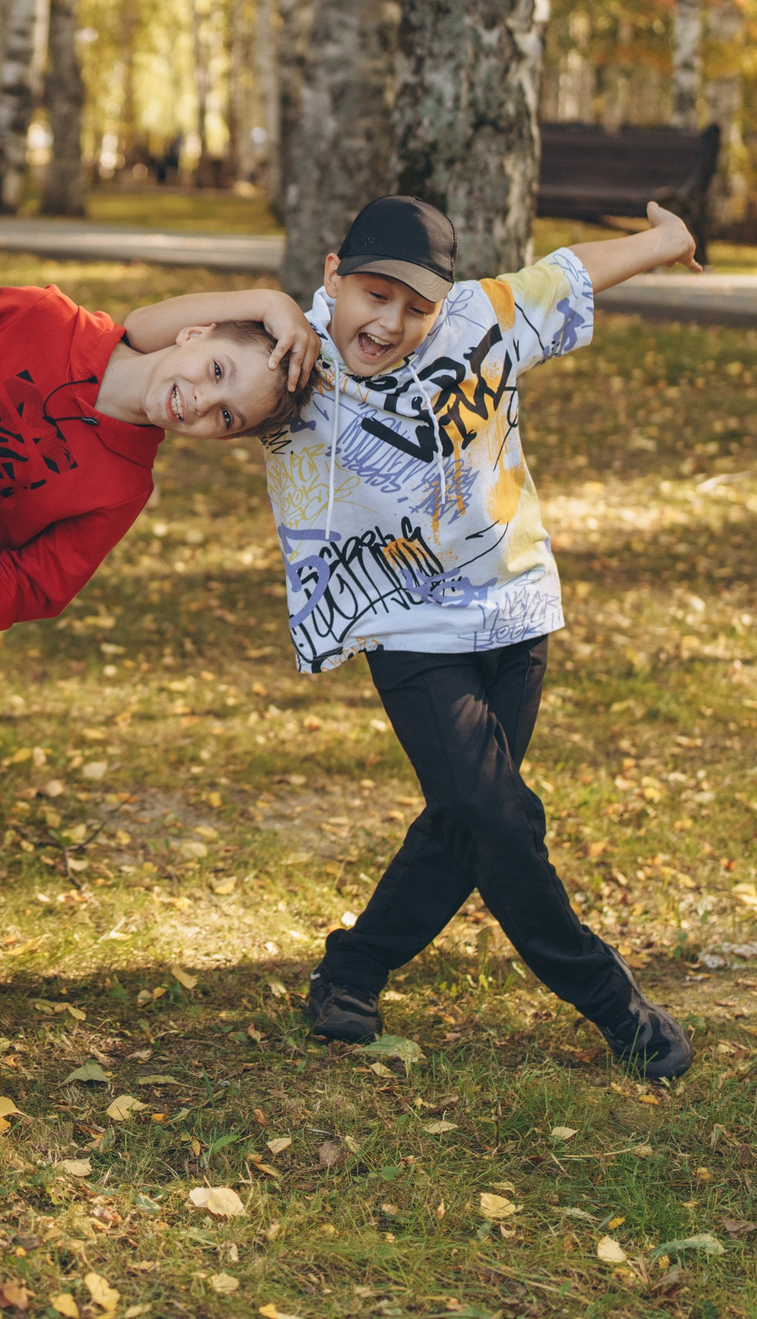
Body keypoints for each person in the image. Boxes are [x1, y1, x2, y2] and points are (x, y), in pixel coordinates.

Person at [271, 195, 704, 1080]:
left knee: (465, 817)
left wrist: (666, 241)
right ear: (331, 276)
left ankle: (350, 971)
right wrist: (274, 312)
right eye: (372, 293)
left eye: (414, 305)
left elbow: (575, 271)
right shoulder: (292, 355)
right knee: (499, 816)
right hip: (402, 621)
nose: (389, 322)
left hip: (515, 604)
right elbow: (173, 368)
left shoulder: (482, 317)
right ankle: (614, 1006)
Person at [0, 281, 315, 650]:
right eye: (217, 371)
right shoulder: (42, 318)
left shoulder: (124, 489)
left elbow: (38, 580)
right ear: (193, 334)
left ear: (222, 438)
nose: (203, 402)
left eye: (227, 417)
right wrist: (269, 302)